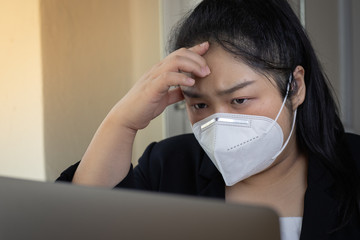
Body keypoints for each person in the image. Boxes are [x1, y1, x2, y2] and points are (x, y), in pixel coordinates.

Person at [57, 0, 360, 239]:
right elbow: (83, 225)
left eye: (239, 100)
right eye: (199, 104)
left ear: (294, 87)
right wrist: (122, 121)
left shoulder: (353, 166)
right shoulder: (169, 166)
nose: (219, 121)